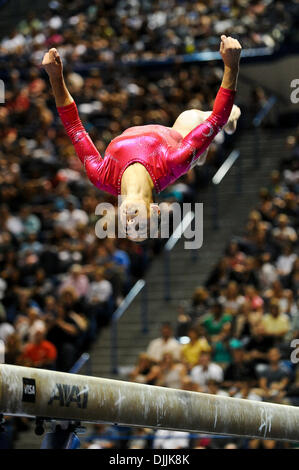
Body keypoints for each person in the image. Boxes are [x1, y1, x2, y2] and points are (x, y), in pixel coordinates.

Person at [42, 35, 242, 240]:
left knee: (205, 132)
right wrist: (232, 65)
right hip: (176, 139)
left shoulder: (102, 176)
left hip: (160, 141)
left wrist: (55, 78)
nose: (132, 223)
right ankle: (233, 117)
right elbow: (217, 118)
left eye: (127, 228)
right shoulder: (173, 163)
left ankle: (212, 142)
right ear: (155, 211)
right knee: (195, 117)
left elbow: (75, 128)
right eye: (142, 227)